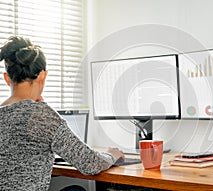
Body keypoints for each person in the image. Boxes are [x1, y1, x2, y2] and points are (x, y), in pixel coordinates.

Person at [0, 36, 124, 191]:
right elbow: (90, 163)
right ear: (42, 75)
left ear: (7, 78)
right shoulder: (41, 116)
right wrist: (112, 154)